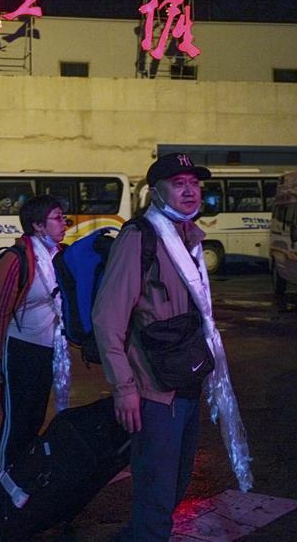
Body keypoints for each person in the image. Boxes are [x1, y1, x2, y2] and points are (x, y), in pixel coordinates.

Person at [93, 153, 252, 541]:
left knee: (176, 481)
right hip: (153, 389)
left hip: (187, 380)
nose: (189, 191)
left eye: (194, 183)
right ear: (156, 191)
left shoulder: (190, 237)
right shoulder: (139, 238)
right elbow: (108, 318)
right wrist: (124, 389)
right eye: (179, 183)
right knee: (157, 489)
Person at [0, 194, 70, 473]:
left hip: (50, 350)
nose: (64, 223)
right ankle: (3, 473)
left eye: (63, 218)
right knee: (18, 419)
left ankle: (23, 475)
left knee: (36, 417)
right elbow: (0, 312)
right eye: (57, 218)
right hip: (20, 349)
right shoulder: (16, 260)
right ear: (37, 225)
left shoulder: (61, 256)